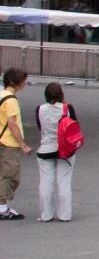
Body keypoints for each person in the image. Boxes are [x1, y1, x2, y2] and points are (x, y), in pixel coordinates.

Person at [33, 82, 77, 222]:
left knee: (46, 182)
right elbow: (74, 128)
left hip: (45, 148)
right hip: (65, 150)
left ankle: (46, 214)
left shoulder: (39, 109)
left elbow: (41, 127)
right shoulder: (67, 108)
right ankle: (64, 215)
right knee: (64, 182)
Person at [0, 68, 29, 219]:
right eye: (23, 80)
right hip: (9, 142)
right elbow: (12, 124)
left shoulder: (2, 95)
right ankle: (2, 207)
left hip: (2, 140)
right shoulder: (10, 100)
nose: (25, 83)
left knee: (5, 174)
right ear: (13, 82)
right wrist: (23, 144)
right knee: (11, 175)